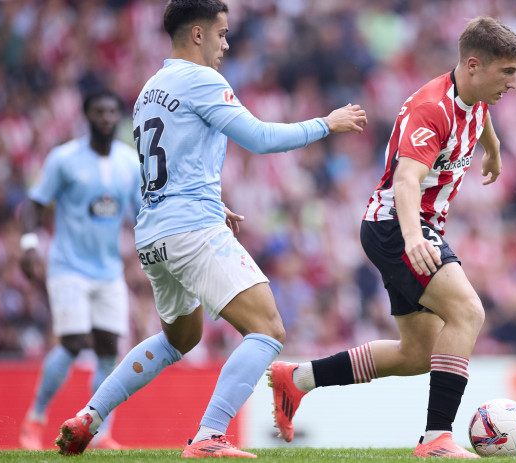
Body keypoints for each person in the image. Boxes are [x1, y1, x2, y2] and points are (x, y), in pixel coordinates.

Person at [54, 0, 367, 458]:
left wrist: (213, 201)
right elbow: (258, 138)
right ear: (197, 34)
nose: (226, 43)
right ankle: (209, 437)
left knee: (180, 339)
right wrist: (327, 123)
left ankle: (89, 417)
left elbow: (167, 164)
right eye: (221, 33)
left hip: (155, 232)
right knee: (267, 329)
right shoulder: (201, 80)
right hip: (189, 228)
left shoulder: (148, 91)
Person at [268, 16, 516, 459]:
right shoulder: (432, 109)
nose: (513, 84)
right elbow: (407, 181)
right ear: (473, 65)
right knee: (467, 311)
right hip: (396, 226)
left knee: (416, 355)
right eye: (507, 73)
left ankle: (299, 378)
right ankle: (436, 440)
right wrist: (413, 238)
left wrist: (494, 150)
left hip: (408, 228)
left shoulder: (475, 96)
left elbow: (480, 116)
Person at [19, 89, 142, 450]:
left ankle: (99, 431)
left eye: (111, 112)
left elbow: (142, 213)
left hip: (108, 270)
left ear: (119, 118)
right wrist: (29, 246)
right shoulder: (65, 159)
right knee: (73, 343)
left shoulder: (128, 163)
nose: (106, 118)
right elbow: (35, 202)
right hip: (68, 267)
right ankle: (35, 418)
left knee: (108, 347)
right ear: (86, 117)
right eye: (98, 112)